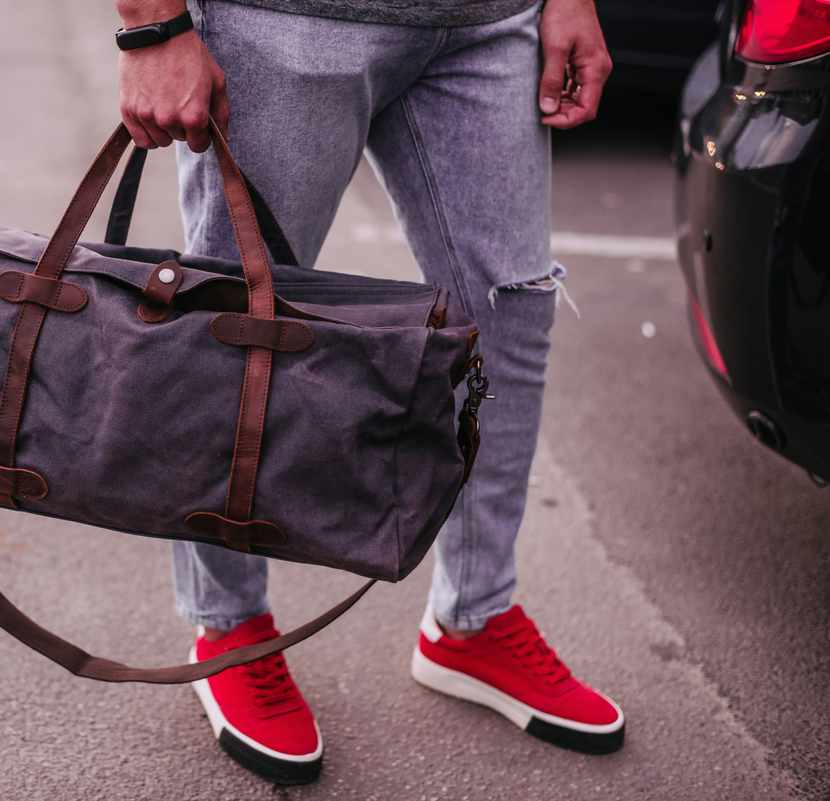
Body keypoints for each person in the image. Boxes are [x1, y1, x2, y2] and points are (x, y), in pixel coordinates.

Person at [115, 0, 621, 783]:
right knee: (240, 329)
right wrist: (153, 24)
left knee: (507, 319)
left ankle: (473, 617)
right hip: (282, 22)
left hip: (489, 23)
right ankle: (230, 626)